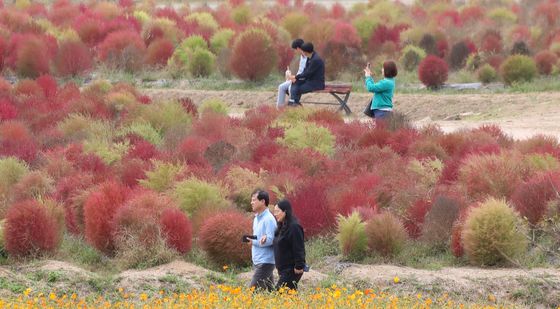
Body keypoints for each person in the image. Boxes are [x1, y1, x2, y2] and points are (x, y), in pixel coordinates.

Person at [246, 189, 277, 291]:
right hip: (258, 260)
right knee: (272, 293)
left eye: (254, 200)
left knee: (252, 292)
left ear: (263, 201)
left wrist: (253, 241)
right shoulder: (256, 218)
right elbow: (260, 237)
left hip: (265, 262)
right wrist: (252, 238)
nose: (251, 202)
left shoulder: (269, 219)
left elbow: (270, 240)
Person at [272, 199, 306, 290]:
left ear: (285, 211)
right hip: (282, 269)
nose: (275, 214)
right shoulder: (281, 227)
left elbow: (299, 247)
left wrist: (299, 265)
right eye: (274, 212)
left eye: (277, 211)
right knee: (289, 298)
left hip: (291, 269)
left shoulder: (294, 227)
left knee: (279, 295)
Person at [288, 42, 325, 106]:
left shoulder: (315, 60)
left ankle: (293, 103)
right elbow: (305, 71)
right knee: (295, 83)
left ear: (306, 52)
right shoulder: (310, 57)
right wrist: (296, 78)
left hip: (316, 84)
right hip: (309, 81)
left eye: (302, 51)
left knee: (297, 89)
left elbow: (307, 73)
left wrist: (296, 77)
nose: (302, 52)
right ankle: (294, 103)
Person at [277, 39, 307, 108]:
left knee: (291, 88)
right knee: (281, 87)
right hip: (297, 79)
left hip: (303, 80)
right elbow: (300, 72)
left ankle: (293, 106)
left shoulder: (308, 57)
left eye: (295, 50)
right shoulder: (302, 57)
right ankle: (279, 109)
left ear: (298, 48)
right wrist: (290, 76)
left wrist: (294, 78)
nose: (294, 52)